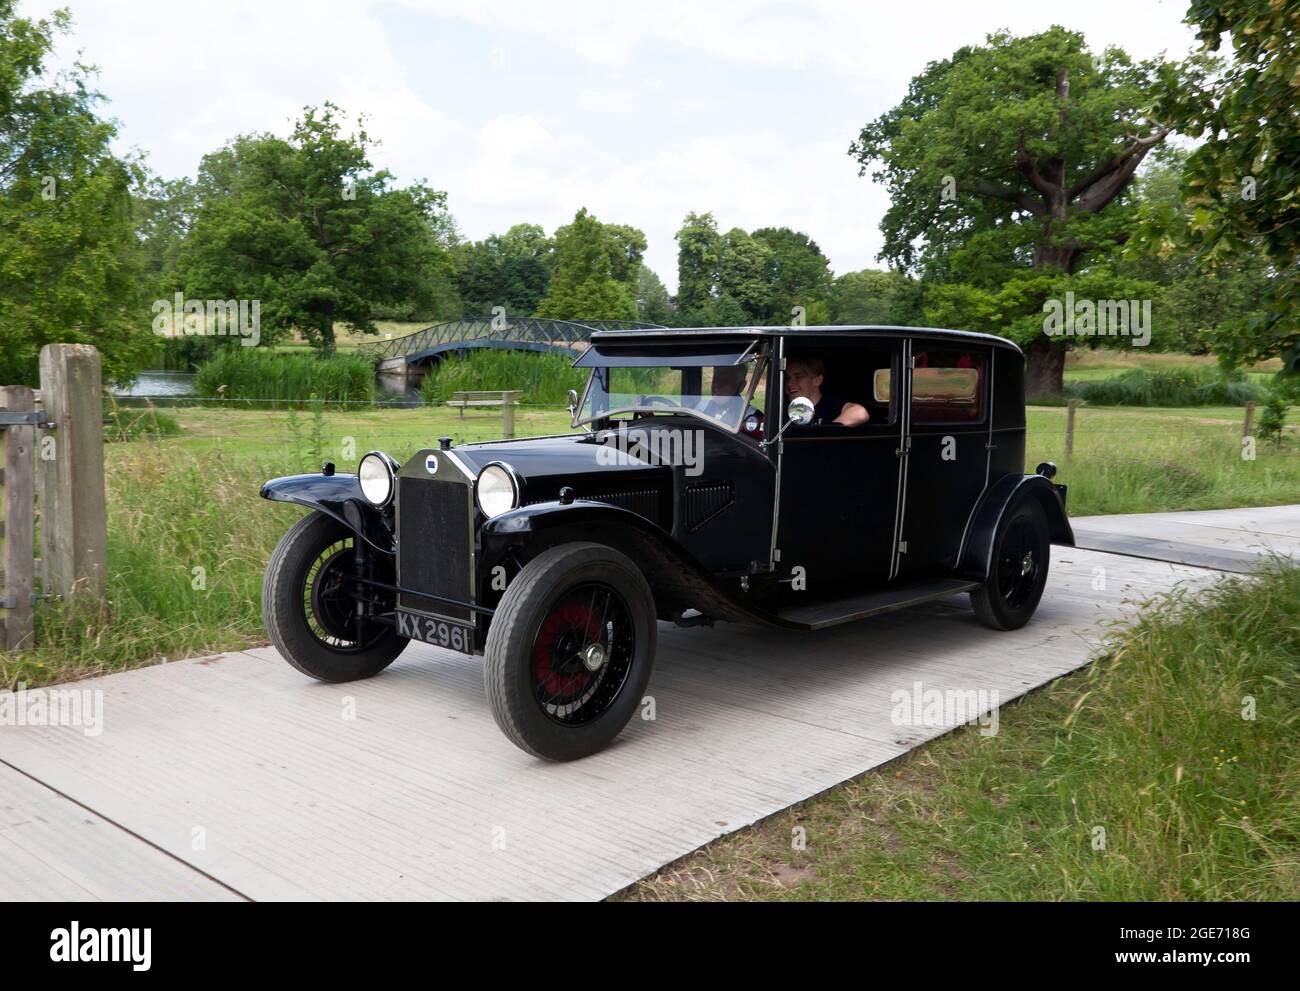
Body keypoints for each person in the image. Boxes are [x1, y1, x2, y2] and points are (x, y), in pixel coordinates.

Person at [784, 355, 868, 426]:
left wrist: (824, 433)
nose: (789, 383)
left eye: (798, 376)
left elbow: (859, 413)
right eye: (787, 378)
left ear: (817, 380)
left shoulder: (832, 404)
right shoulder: (781, 409)